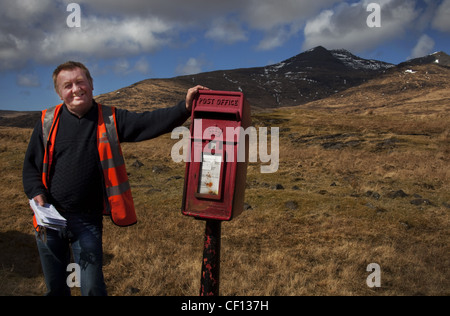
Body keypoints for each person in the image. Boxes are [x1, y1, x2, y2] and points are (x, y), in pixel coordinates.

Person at [22, 61, 207, 296]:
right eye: (67, 85)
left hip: (86, 221)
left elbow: (146, 123)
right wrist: (36, 192)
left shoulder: (109, 118)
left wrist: (184, 108)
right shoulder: (46, 121)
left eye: (80, 82)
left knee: (91, 288)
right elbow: (30, 166)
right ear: (60, 93)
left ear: (90, 84)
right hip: (50, 219)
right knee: (56, 288)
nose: (76, 89)